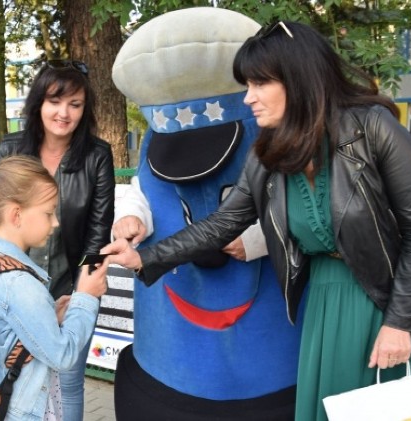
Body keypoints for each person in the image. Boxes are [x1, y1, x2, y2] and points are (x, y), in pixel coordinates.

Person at [103, 21, 411, 421]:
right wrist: (147, 258)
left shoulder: (372, 128)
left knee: (401, 406)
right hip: (336, 291)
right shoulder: (268, 152)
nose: (249, 97)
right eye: (247, 85)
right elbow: (222, 224)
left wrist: (400, 321)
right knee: (342, 407)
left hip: (409, 286)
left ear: (298, 79)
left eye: (260, 84)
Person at [109, 8, 301, 420]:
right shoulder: (153, 143)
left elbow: (305, 211)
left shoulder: (277, 139)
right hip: (168, 353)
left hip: (268, 363)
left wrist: (256, 239)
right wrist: (131, 216)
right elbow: (145, 190)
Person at [0, 59, 115, 421]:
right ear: (38, 104)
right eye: (55, 101)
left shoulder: (97, 155)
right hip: (18, 290)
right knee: (17, 379)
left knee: (68, 379)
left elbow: (97, 232)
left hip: (70, 287)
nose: (64, 113)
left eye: (75, 104)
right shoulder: (11, 150)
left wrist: (80, 296)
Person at [0, 156, 109, 421]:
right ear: (16, 215)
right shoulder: (19, 282)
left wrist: (51, 316)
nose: (56, 223)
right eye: (48, 213)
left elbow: (10, 334)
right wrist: (86, 297)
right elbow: (63, 355)